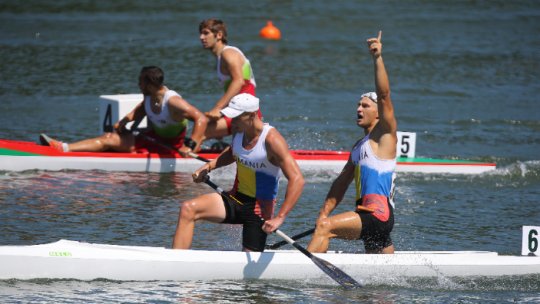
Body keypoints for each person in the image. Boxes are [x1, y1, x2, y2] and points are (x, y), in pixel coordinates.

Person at [172, 93, 304, 252]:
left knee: (249, 267)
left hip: (259, 210)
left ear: (252, 115)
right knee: (188, 208)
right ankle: (177, 260)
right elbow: (232, 152)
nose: (231, 122)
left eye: (236, 117)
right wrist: (208, 167)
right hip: (234, 198)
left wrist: (280, 218)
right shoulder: (239, 133)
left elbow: (297, 179)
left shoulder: (272, 140)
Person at [307, 31, 398, 254]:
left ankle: (309, 286)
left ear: (379, 114)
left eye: (365, 106)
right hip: (369, 215)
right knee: (382, 282)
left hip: (378, 215)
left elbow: (384, 95)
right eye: (358, 105)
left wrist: (377, 58)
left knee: (325, 229)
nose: (358, 109)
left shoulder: (385, 135)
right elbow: (340, 184)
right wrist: (323, 214)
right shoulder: (359, 147)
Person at [39, 66, 208, 156]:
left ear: (149, 85)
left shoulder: (172, 102)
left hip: (172, 147)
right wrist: (123, 123)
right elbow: (135, 114)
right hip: (154, 140)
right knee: (109, 137)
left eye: (140, 83)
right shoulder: (149, 97)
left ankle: (63, 149)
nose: (138, 86)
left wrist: (190, 146)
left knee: (109, 141)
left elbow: (201, 118)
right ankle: (64, 148)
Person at [198, 18, 260, 140]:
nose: (201, 37)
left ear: (219, 35)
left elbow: (239, 81)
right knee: (204, 127)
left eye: (206, 33)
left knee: (201, 131)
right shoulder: (221, 58)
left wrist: (217, 108)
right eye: (200, 33)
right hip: (237, 112)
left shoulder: (228, 53)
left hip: (244, 114)